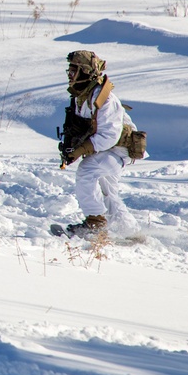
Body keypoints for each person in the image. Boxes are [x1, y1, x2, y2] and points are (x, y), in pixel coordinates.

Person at [60, 50, 144, 237]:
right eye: (69, 71)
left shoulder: (104, 98)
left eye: (74, 70)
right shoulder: (81, 96)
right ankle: (133, 234)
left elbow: (109, 135)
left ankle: (95, 224)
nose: (70, 75)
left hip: (118, 150)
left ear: (85, 72)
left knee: (87, 171)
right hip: (105, 151)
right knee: (108, 194)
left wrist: (81, 150)